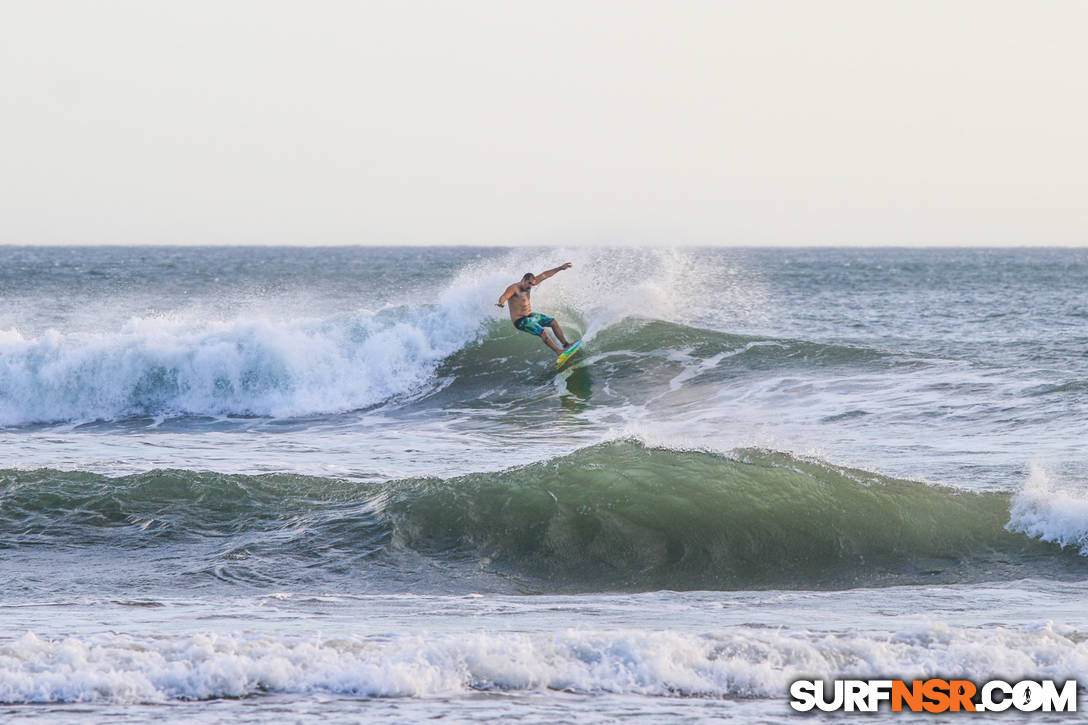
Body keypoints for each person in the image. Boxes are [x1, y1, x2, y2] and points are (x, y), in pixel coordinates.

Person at [496, 263, 573, 355]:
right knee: (542, 332)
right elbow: (504, 296)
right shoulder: (514, 288)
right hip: (520, 321)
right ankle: (558, 352)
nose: (530, 286)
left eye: (532, 284)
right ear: (523, 279)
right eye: (529, 283)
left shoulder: (531, 283)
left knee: (553, 322)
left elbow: (545, 275)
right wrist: (501, 302)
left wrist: (560, 268)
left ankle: (566, 345)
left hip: (530, 316)